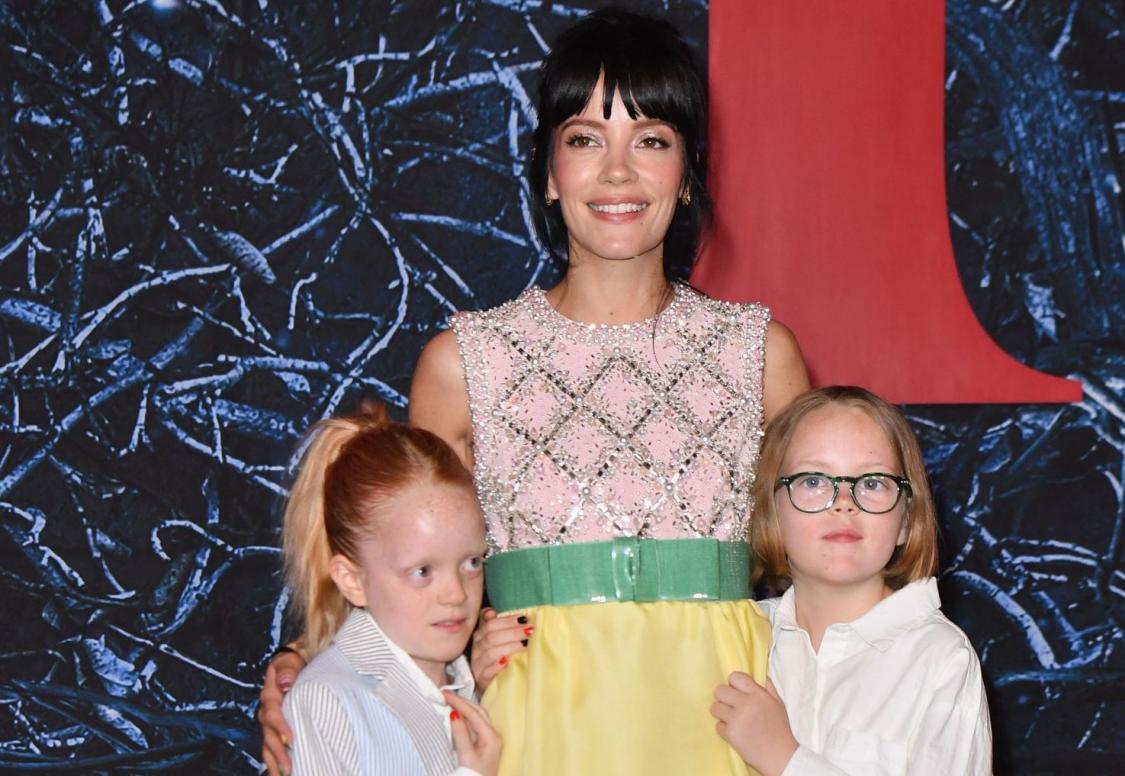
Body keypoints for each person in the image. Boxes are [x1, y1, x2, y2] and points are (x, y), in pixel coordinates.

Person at [260, 8, 809, 775]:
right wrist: (311, 663)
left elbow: (828, 571)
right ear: (550, 173)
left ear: (686, 174)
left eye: (650, 140)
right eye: (585, 140)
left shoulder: (762, 355)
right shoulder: (464, 363)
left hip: (725, 728)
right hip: (535, 731)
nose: (616, 173)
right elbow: (405, 562)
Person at [710, 386, 993, 775]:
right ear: (770, 511)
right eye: (812, 481)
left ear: (907, 521)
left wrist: (785, 759)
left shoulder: (939, 658)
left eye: (873, 483)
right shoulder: (736, 639)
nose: (844, 501)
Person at [277, 402, 501, 775]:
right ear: (351, 580)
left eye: (472, 562)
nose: (457, 594)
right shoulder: (326, 699)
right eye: (423, 571)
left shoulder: (474, 682)